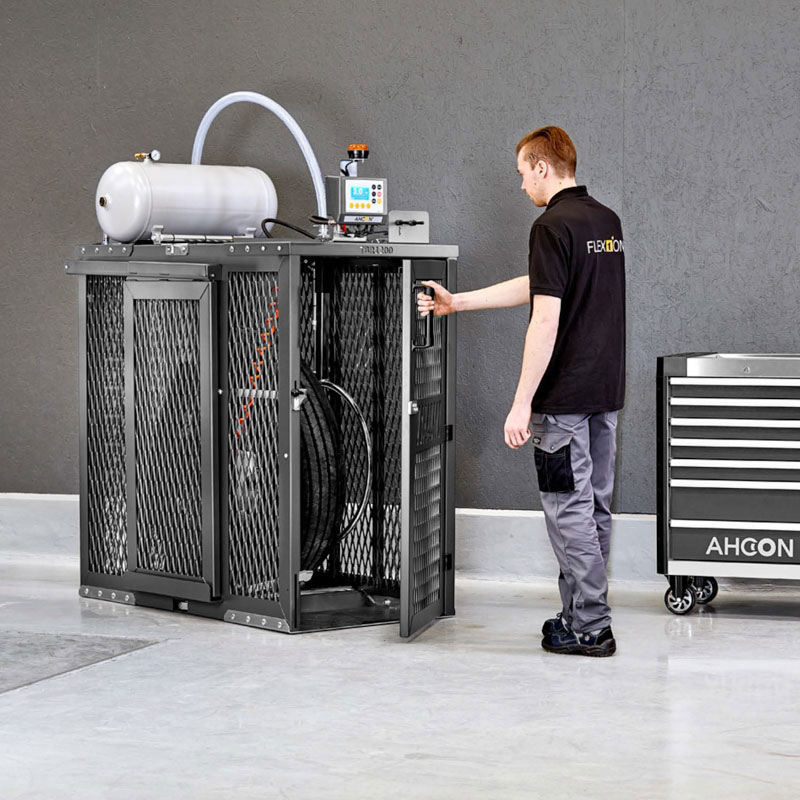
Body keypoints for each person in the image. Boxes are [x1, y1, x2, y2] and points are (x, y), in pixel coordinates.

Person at [417, 126, 625, 658]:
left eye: (522, 173)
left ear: (541, 167)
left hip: (563, 399)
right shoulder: (605, 221)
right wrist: (457, 302)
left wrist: (521, 403)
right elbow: (541, 285)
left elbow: (545, 320)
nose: (521, 185)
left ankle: (590, 626)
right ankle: (579, 615)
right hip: (604, 393)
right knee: (593, 509)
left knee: (568, 510)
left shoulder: (550, 225)